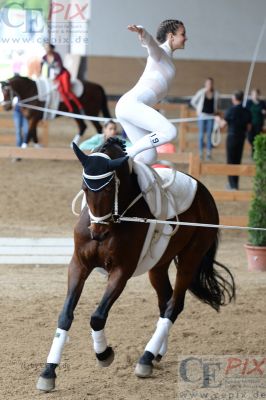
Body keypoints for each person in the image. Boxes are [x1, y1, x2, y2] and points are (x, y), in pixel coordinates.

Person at [115, 20, 187, 165]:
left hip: (127, 107)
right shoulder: (160, 53)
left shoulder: (167, 59)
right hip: (131, 105)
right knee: (170, 132)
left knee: (149, 157)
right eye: (183, 34)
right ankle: (129, 153)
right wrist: (142, 32)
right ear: (171, 36)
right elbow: (151, 45)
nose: (186, 37)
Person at [216, 90, 252, 190]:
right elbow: (249, 127)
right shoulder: (247, 111)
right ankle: (235, 184)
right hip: (241, 138)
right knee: (237, 161)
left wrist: (218, 120)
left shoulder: (231, 110)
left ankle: (232, 185)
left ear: (235, 98)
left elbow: (222, 125)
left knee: (231, 161)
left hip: (232, 137)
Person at [41, 43, 85, 115]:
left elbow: (60, 67)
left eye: (48, 48)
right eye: (45, 48)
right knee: (61, 92)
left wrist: (55, 76)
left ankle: (80, 106)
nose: (46, 49)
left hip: (63, 73)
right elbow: (43, 66)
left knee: (67, 91)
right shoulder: (44, 57)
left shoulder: (56, 55)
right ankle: (70, 109)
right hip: (56, 76)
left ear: (52, 49)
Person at [190, 77, 219, 160]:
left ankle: (209, 154)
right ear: (205, 84)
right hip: (202, 116)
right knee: (201, 135)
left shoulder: (216, 93)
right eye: (208, 83)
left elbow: (216, 104)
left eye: (211, 83)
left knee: (209, 135)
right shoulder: (201, 92)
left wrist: (216, 111)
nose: (209, 85)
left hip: (211, 116)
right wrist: (198, 109)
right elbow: (193, 101)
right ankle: (200, 153)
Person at [246, 89, 266, 157]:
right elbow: (245, 112)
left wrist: (264, 112)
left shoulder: (262, 103)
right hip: (250, 124)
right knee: (250, 138)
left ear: (258, 95)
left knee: (257, 138)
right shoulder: (249, 103)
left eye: (256, 94)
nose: (254, 96)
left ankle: (255, 152)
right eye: (253, 94)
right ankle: (254, 149)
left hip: (259, 123)